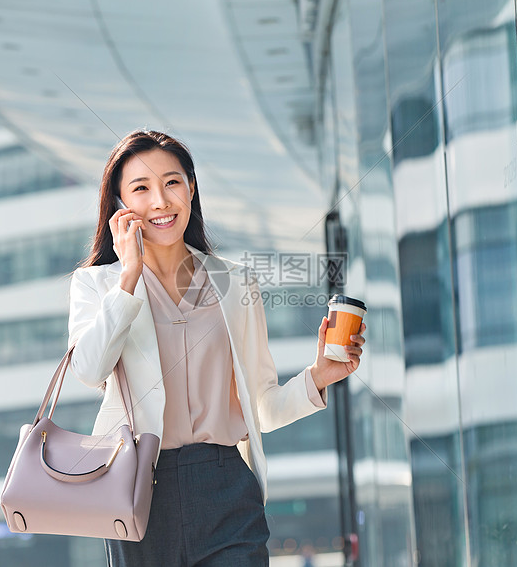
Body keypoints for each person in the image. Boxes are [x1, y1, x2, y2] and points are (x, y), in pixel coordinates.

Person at [66, 129, 367, 567]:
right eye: (141, 189)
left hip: (224, 486)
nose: (160, 201)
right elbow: (90, 369)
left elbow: (259, 407)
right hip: (136, 489)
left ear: (191, 188)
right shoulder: (98, 285)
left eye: (172, 182)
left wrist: (318, 376)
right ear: (120, 206)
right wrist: (127, 277)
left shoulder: (235, 282)